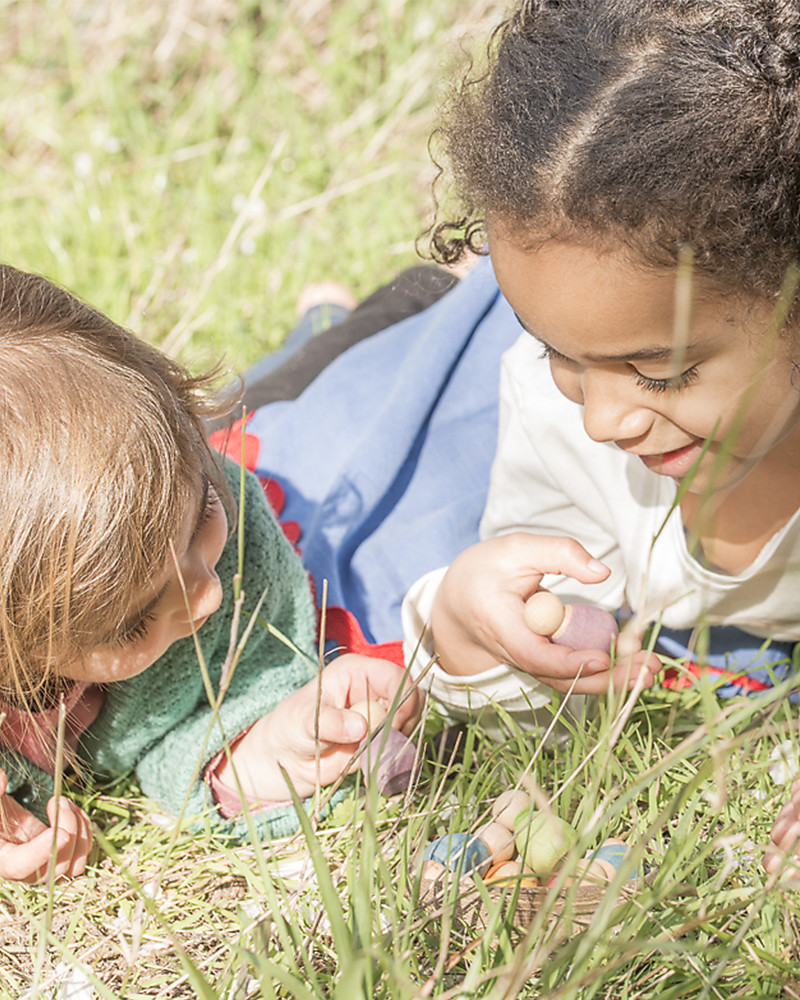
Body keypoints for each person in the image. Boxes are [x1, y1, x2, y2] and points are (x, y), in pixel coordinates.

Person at [400, 0, 800, 876]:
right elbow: (554, 679)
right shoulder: (555, 414)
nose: (602, 420)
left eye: (660, 372)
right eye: (559, 352)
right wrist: (470, 632)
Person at [0, 265, 420, 884]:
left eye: (203, 514)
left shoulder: (221, 522)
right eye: (136, 620)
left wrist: (262, 728)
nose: (208, 594)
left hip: (259, 434)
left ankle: (373, 304)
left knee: (323, 375)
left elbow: (245, 682)